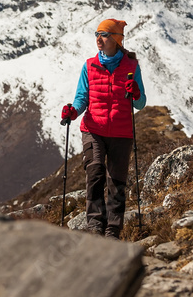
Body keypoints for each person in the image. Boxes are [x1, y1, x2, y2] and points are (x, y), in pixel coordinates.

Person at [61, 19, 146, 239]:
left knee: (116, 182)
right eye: (97, 34)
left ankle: (112, 231)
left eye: (105, 34)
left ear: (117, 40)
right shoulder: (89, 65)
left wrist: (135, 92)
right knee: (95, 171)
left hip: (121, 132)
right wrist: (73, 111)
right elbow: (82, 98)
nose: (99, 39)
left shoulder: (131, 67)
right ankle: (95, 226)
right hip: (93, 129)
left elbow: (140, 103)